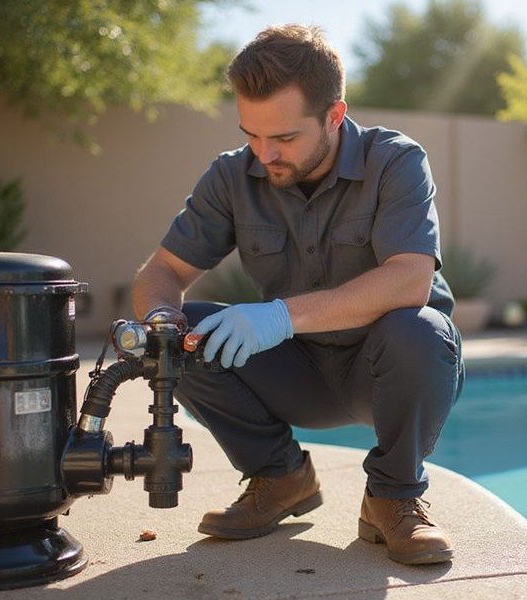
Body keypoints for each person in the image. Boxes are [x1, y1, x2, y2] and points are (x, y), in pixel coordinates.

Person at [131, 24, 463, 565]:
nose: (265, 154)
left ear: (334, 116)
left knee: (420, 328)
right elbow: (161, 270)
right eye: (252, 135)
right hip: (295, 374)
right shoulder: (231, 175)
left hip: (384, 371)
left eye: (284, 138)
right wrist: (163, 323)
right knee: (181, 330)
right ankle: (279, 477)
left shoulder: (396, 161)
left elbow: (410, 279)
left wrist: (279, 317)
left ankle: (393, 499)